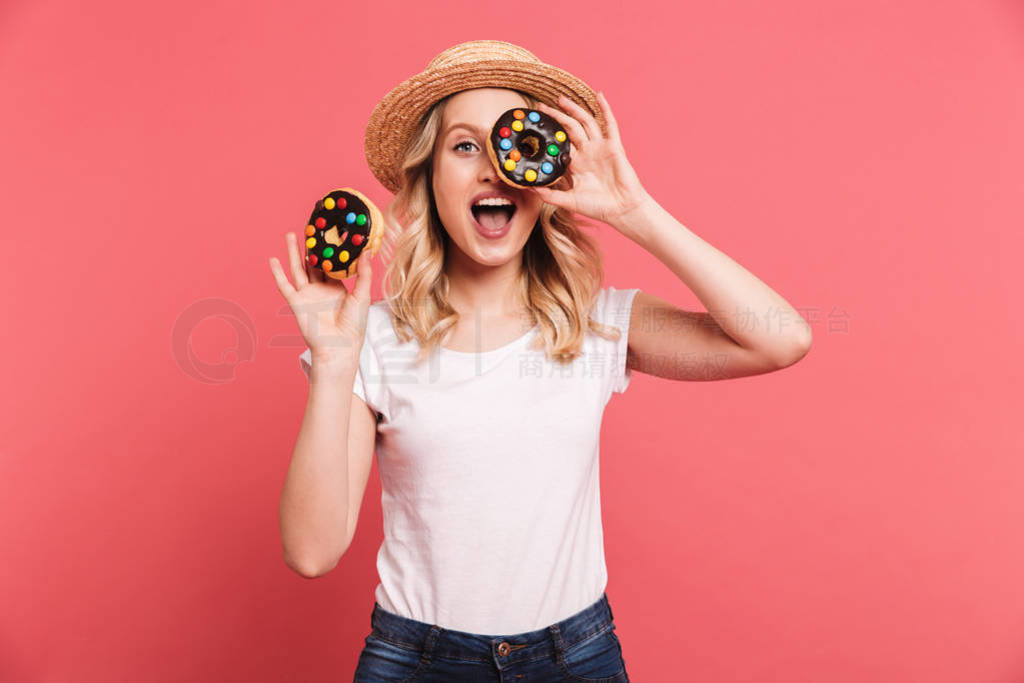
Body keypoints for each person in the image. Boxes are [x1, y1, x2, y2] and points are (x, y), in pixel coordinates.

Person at [269, 40, 811, 682]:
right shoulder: (372, 339)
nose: (493, 170)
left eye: (512, 147)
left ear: (544, 176)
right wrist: (334, 363)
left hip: (575, 659)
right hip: (416, 662)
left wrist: (635, 212)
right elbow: (312, 551)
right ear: (429, 176)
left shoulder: (598, 323)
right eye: (465, 146)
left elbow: (780, 338)